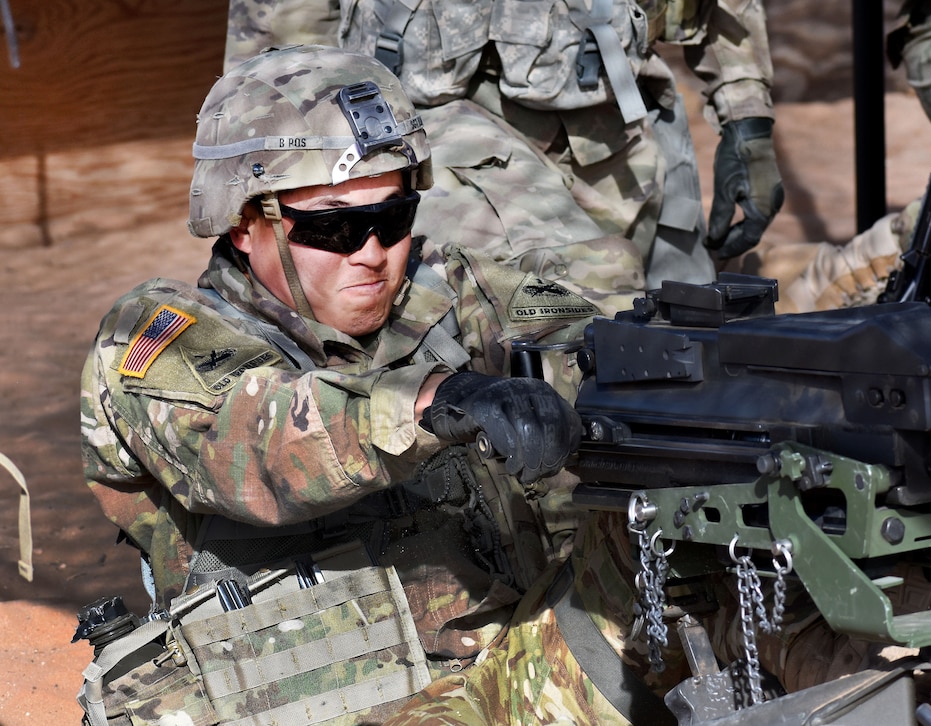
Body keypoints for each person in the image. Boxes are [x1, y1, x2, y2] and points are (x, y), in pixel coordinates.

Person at [77, 44, 641, 724]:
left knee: (717, 576)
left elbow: (587, 333)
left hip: (507, 667)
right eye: (335, 227)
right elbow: (260, 440)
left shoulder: (452, 290)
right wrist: (438, 401)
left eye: (393, 219)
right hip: (345, 705)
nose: (373, 254)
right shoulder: (161, 338)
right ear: (245, 220)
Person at [222, 0, 786, 287]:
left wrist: (746, 117)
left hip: (623, 142)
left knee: (681, 361)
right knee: (507, 371)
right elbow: (277, 52)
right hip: (427, 150)